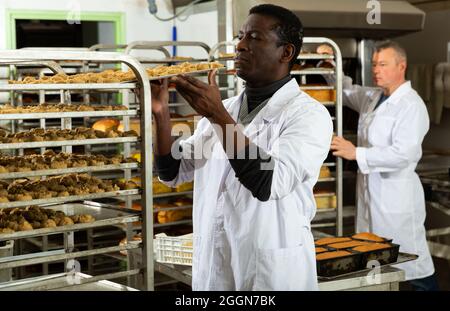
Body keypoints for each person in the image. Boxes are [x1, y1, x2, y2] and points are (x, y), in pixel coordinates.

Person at [152, 4, 333, 291]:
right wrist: (161, 114)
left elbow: (268, 182)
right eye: (240, 36)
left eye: (254, 38)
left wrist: (216, 117)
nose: (240, 46)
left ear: (285, 52)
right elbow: (172, 170)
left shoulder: (309, 115)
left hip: (269, 275)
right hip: (215, 270)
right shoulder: (227, 108)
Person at [317, 41, 439, 291]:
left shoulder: (411, 106)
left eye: (382, 64)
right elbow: (345, 90)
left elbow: (403, 155)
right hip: (371, 194)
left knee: (412, 266)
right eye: (374, 65)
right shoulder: (373, 97)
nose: (376, 70)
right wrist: (330, 64)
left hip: (397, 199)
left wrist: (356, 152)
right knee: (377, 264)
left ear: (401, 66)